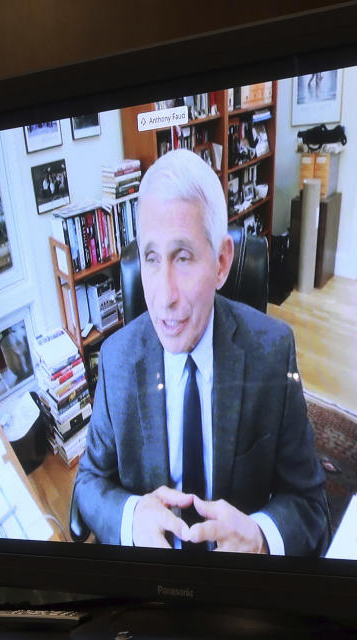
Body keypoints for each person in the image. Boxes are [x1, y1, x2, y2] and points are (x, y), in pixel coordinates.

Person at [74, 149, 329, 556]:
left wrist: (260, 537)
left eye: (184, 257)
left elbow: (311, 503)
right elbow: (88, 482)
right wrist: (131, 516)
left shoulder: (272, 351)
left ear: (222, 262)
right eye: (152, 258)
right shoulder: (116, 360)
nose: (163, 297)